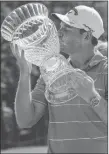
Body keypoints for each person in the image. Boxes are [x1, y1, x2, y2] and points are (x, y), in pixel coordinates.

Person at [11, 5, 108, 153]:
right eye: (60, 27)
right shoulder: (52, 72)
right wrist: (25, 73)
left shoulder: (106, 70)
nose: (59, 33)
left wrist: (92, 97)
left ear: (87, 36)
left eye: (67, 29)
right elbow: (25, 120)